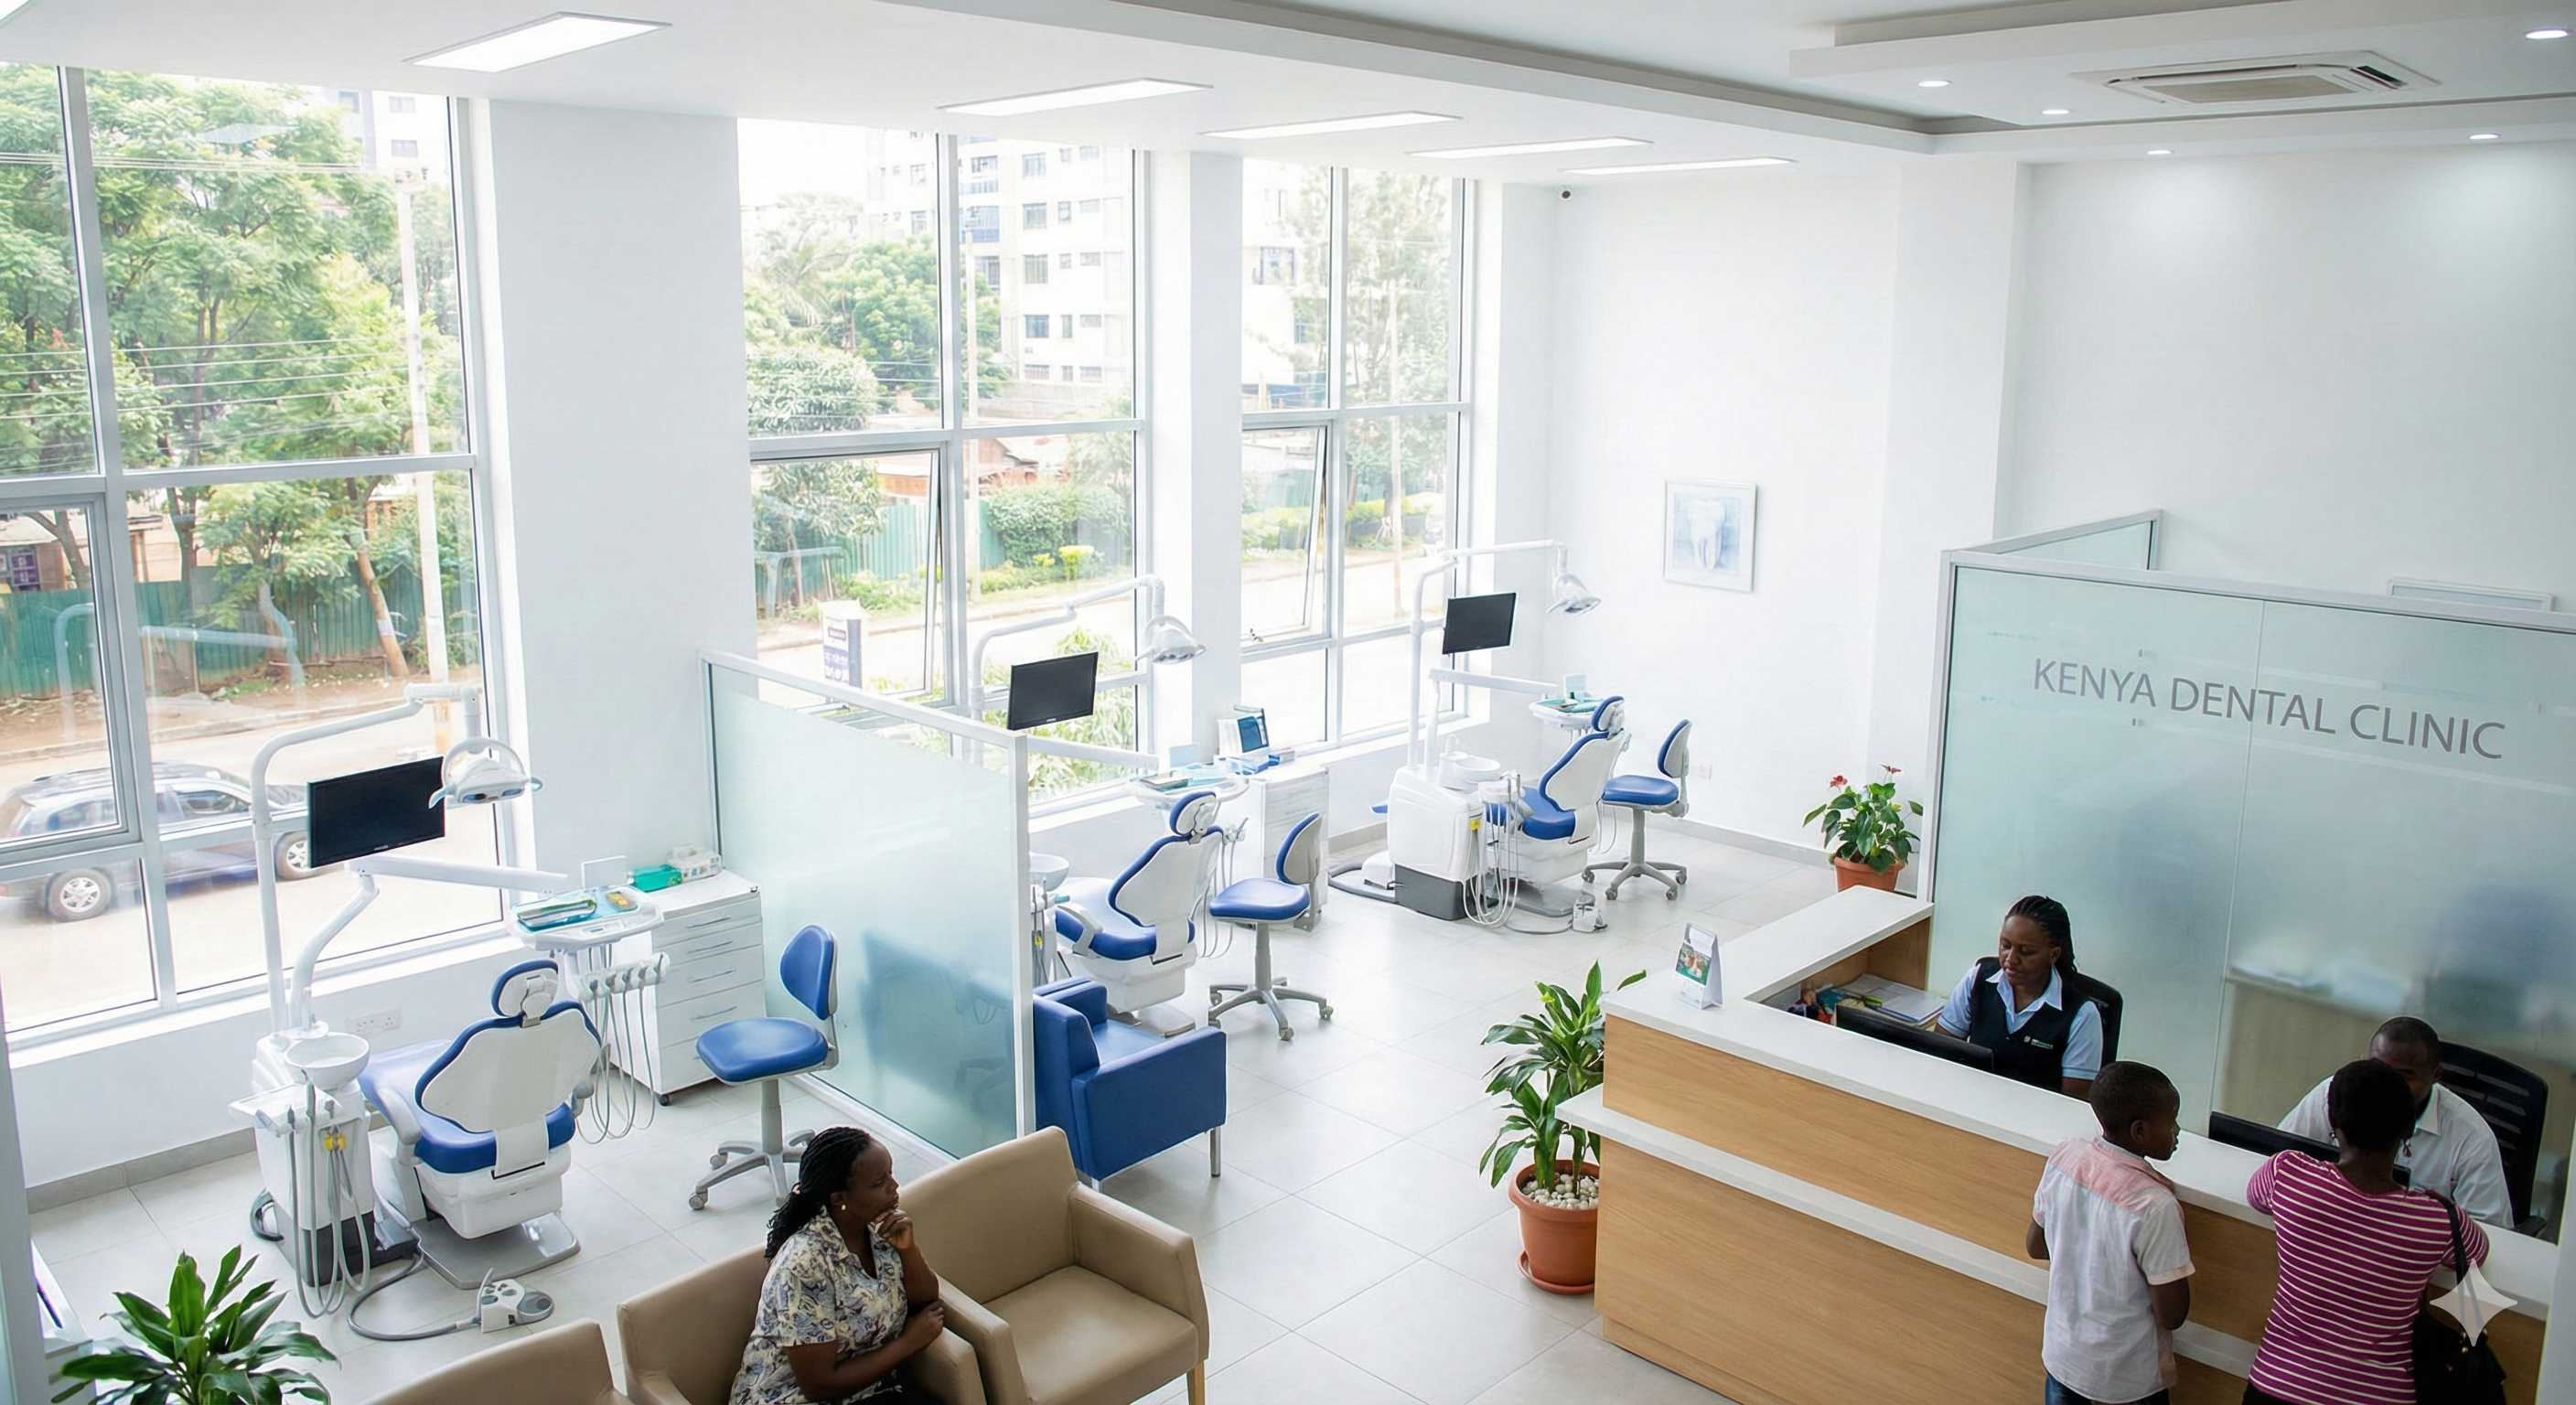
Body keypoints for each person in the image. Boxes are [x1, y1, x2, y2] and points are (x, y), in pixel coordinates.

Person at [2245, 1058, 2490, 1405]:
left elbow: (2255, 1196)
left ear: (2332, 1120)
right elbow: (2477, 1250)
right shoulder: (2436, 1220)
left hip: (2277, 1386)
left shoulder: (2287, 1173)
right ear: (2407, 1131)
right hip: (2378, 1396)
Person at [731, 1127, 946, 1405]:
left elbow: (926, 1302)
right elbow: (819, 1385)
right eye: (880, 1182)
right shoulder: (804, 1264)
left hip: (868, 1390)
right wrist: (906, 1344)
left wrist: (908, 1251)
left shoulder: (878, 1230)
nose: (894, 1186)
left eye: (891, 1174)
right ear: (839, 1198)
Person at [2027, 1061, 2195, 1405]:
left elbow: (2035, 1245)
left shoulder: (2065, 1158)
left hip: (2065, 1360)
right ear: (2139, 1131)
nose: (2178, 1130)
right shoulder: (2154, 1205)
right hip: (2126, 1381)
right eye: (2171, 1119)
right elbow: (2172, 1315)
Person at [2277, 1015, 2511, 1228]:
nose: (2383, 1084)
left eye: (2403, 1075)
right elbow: (2277, 1160)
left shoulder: (2472, 1138)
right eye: (2377, 1068)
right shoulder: (2337, 1093)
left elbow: (2490, 1234)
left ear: (2436, 1076)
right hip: (2335, 1224)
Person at [1937, 895, 2105, 1097]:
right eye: (2005, 946)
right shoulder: (1978, 980)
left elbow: (2073, 1103)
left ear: (2053, 955)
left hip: (2036, 1121)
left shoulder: (2082, 1016)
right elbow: (1939, 1053)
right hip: (1972, 1102)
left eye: (2025, 952)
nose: (2011, 959)